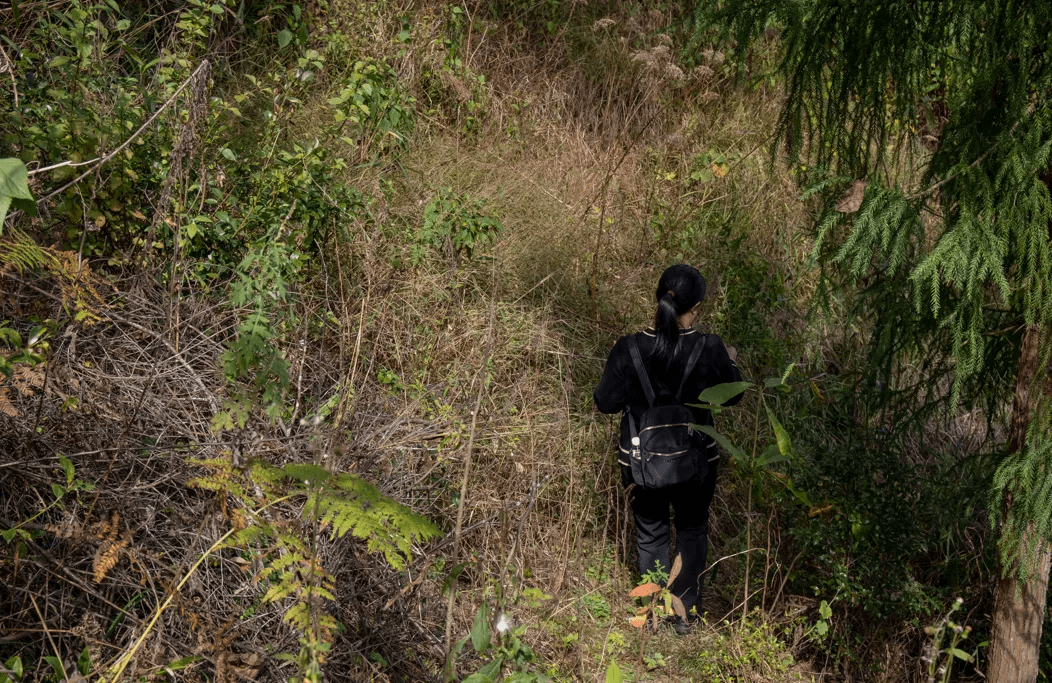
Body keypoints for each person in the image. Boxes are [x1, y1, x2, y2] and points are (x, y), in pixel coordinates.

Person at [593, 264, 742, 634]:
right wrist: (731, 359)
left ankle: (653, 617)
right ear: (699, 306)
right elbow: (734, 396)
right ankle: (685, 616)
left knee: (651, 533)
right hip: (697, 463)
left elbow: (605, 402)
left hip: (642, 464)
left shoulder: (628, 348)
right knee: (692, 531)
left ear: (657, 297)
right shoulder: (710, 348)